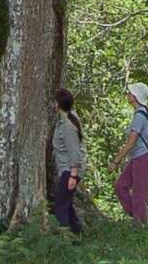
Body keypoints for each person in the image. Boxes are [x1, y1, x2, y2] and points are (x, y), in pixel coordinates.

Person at [111, 81, 148, 224]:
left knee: (139, 193)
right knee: (120, 186)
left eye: (130, 93)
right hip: (136, 158)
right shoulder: (140, 114)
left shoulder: (140, 117)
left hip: (142, 158)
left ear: (135, 97)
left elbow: (131, 143)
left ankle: (140, 224)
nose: (128, 94)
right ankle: (136, 216)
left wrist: (115, 161)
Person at [52, 88, 87, 235]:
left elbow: (74, 152)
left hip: (70, 171)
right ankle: (77, 232)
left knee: (60, 205)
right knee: (66, 203)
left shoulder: (68, 127)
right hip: (67, 170)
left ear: (58, 105)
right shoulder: (68, 119)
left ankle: (63, 238)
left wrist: (73, 175)